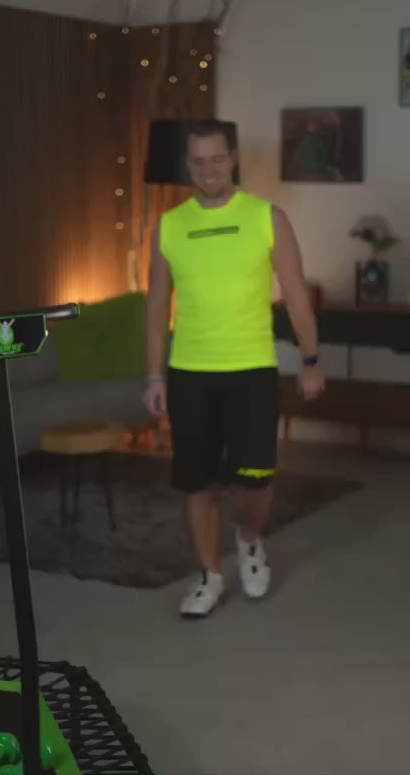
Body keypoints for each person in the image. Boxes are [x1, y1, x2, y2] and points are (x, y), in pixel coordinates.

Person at [143, 119, 324, 618]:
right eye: (199, 161)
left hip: (251, 371)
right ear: (188, 165)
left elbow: (296, 296)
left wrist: (311, 360)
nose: (209, 171)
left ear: (234, 159)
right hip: (189, 372)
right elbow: (156, 305)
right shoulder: (170, 226)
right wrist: (154, 374)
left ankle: (248, 540)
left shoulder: (267, 218)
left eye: (218, 159)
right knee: (197, 483)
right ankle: (210, 575)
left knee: (253, 483)